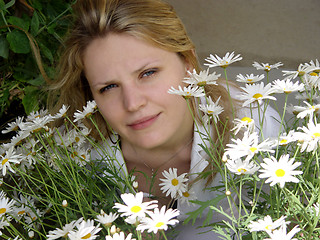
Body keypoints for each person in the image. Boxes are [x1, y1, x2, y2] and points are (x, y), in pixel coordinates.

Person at [49, 0, 279, 239]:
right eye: (109, 87)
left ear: (187, 64)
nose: (132, 103)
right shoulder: (73, 160)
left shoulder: (254, 131)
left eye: (147, 73)